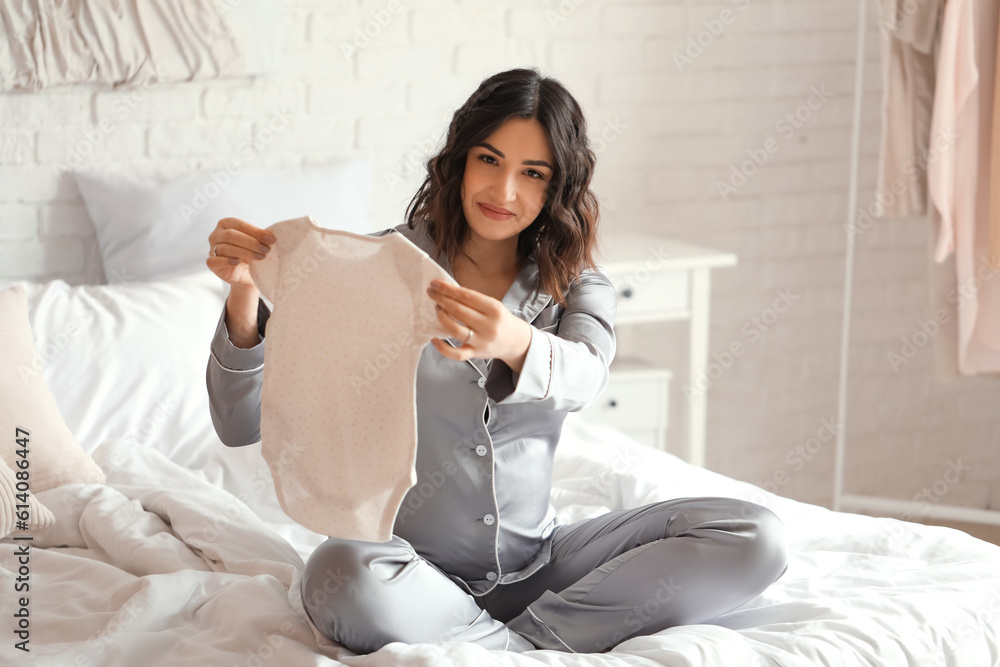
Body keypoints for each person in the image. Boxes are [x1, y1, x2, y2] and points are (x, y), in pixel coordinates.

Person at [204, 67, 788, 655]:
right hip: (409, 573)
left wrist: (517, 342)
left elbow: (586, 373)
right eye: (489, 160)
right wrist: (245, 293)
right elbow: (241, 423)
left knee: (755, 537)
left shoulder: (576, 286)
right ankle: (520, 643)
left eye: (532, 173)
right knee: (338, 575)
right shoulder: (377, 269)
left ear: (556, 187)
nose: (504, 191)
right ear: (459, 160)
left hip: (541, 568)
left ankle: (520, 642)